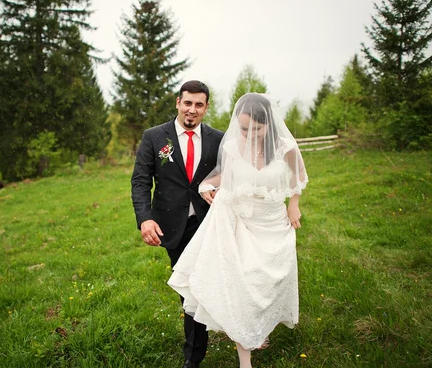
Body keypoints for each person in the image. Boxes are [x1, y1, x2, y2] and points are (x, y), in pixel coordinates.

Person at [167, 93, 308, 368]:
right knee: (241, 286)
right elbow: (223, 175)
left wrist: (294, 203)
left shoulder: (285, 147)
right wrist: (206, 185)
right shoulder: (232, 147)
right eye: (244, 128)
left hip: (273, 223)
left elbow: (298, 176)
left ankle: (259, 327)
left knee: (265, 284)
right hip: (239, 221)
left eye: (257, 128)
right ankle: (245, 359)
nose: (250, 134)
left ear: (269, 124)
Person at [131, 80, 225, 368]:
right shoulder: (154, 137)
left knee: (197, 286)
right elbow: (141, 181)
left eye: (199, 105)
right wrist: (145, 218)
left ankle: (193, 358)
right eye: (188, 103)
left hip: (209, 223)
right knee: (191, 288)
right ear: (177, 102)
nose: (192, 110)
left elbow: (231, 176)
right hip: (171, 225)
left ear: (206, 107)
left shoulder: (219, 139)